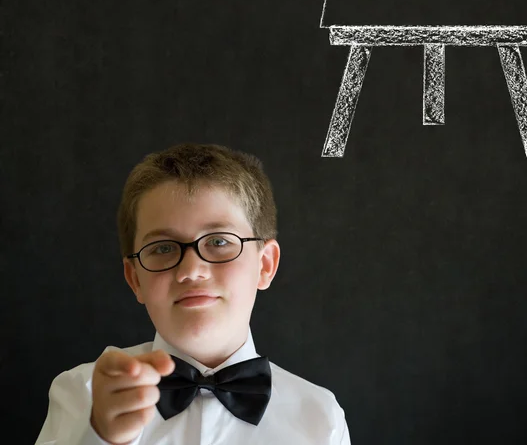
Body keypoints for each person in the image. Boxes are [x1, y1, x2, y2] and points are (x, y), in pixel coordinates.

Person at [35, 142, 350, 445]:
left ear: (264, 265)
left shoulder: (321, 417)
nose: (191, 270)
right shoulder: (81, 392)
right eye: (163, 248)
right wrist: (100, 438)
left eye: (218, 241)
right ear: (135, 280)